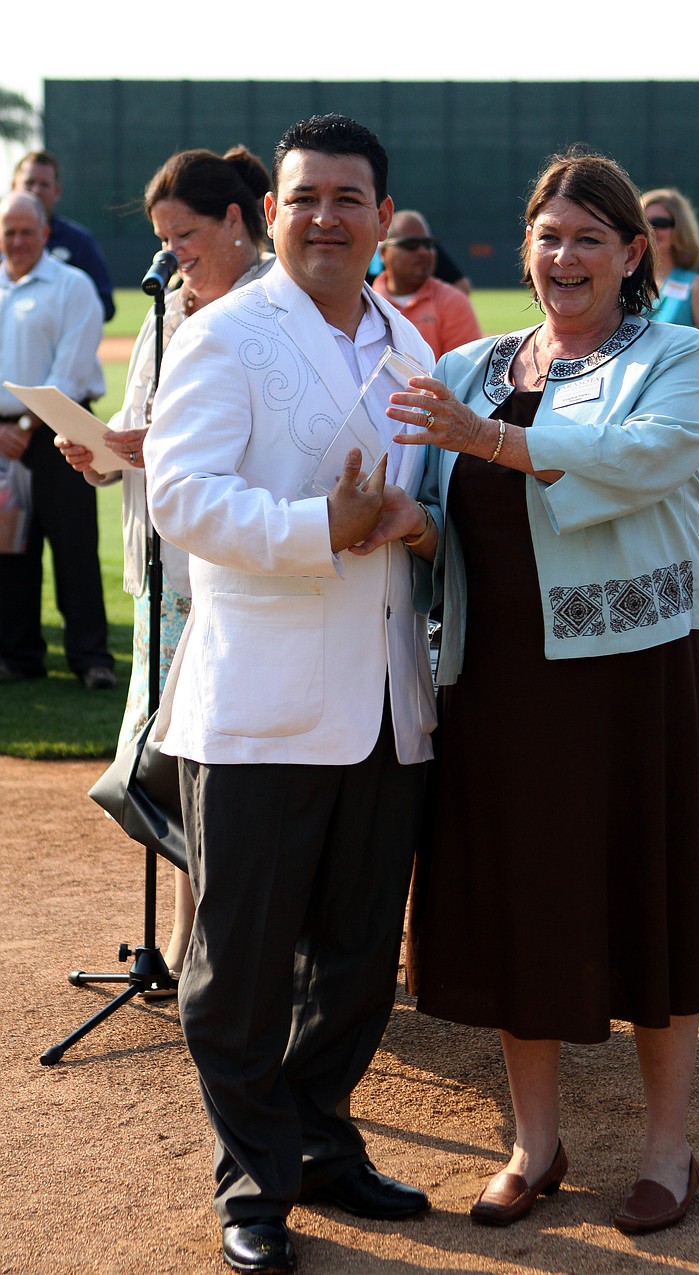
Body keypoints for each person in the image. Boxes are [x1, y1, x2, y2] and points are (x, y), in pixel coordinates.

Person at [354, 145, 699, 1236]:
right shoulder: (471, 362)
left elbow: (643, 458)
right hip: (497, 677)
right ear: (524, 249)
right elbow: (450, 514)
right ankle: (534, 1143)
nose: (564, 257)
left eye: (588, 239)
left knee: (645, 894)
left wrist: (490, 438)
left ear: (631, 254)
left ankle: (668, 1148)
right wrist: (408, 523)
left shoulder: (675, 355)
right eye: (548, 237)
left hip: (629, 674)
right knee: (518, 897)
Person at [144, 114, 437, 1274]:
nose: (325, 217)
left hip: (386, 700)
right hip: (261, 700)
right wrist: (325, 526)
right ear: (270, 213)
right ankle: (254, 1178)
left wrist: (414, 522)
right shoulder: (226, 334)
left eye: (347, 198)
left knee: (358, 957)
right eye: (304, 197)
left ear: (381, 217)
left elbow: (424, 496)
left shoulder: (407, 339)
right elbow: (183, 497)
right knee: (240, 963)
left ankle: (319, 1140)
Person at [55, 146, 274, 988]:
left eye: (185, 234)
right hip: (164, 570)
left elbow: (268, 441)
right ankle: (186, 943)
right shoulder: (165, 309)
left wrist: (161, 445)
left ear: (234, 220)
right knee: (173, 763)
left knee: (221, 761)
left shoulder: (272, 306)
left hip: (231, 568)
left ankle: (221, 947)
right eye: (162, 237)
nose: (172, 252)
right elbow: (135, 419)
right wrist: (100, 453)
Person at [0, 191, 115, 689]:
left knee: (74, 548)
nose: (17, 241)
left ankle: (91, 659)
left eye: (27, 231)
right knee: (10, 551)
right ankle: (19, 656)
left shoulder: (73, 285)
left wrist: (25, 427)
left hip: (62, 432)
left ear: (45, 233)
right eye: (9, 231)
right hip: (3, 439)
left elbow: (68, 371)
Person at [641, 187, 699, 557]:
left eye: (662, 222)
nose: (653, 229)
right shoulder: (626, 286)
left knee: (691, 537)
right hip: (635, 423)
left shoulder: (696, 287)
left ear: (681, 230)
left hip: (683, 422)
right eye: (644, 221)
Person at [13, 149, 116, 321]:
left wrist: (50, 309)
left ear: (57, 191)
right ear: (13, 186)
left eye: (44, 184)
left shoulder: (79, 241)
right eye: (29, 183)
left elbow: (105, 305)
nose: (36, 190)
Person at [371, 209, 482, 359]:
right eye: (411, 245)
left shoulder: (453, 302)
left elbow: (464, 370)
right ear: (384, 253)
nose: (423, 252)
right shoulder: (365, 304)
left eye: (428, 244)